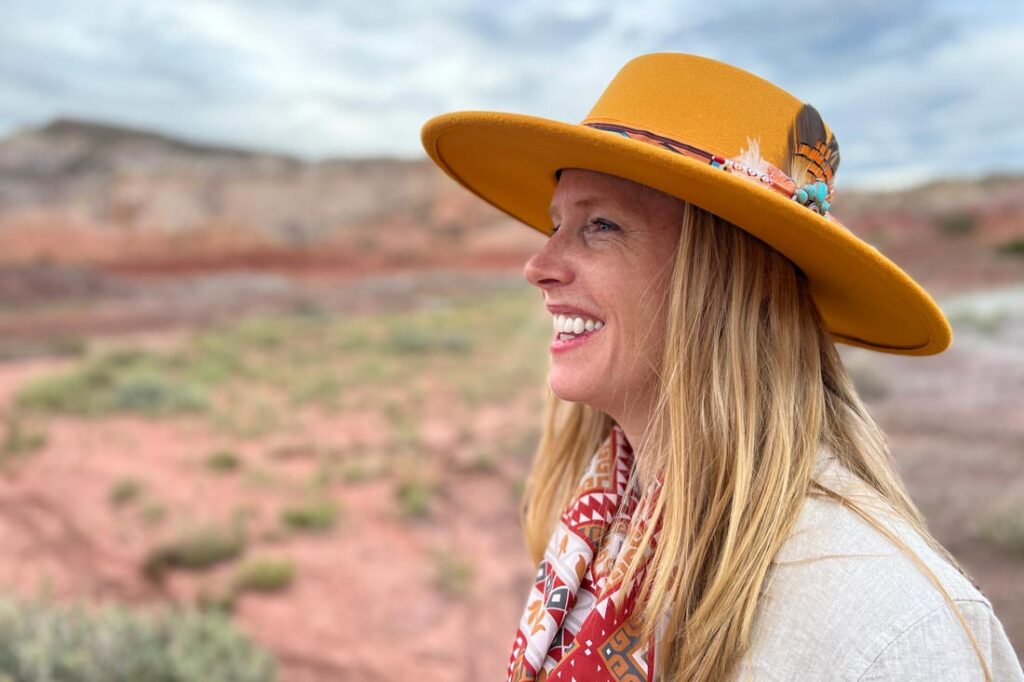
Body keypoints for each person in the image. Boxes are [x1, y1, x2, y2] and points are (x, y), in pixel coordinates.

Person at [421, 53, 1024, 681]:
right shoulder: (603, 527)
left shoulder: (890, 633)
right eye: (556, 225)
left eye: (600, 225)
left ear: (724, 279)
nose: (538, 265)